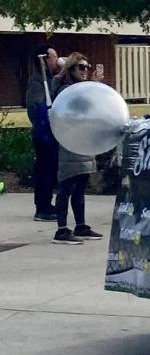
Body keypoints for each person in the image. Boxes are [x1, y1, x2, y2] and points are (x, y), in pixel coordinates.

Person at [49, 53, 104, 244]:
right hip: (70, 142)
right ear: (71, 69)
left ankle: (80, 225)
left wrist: (93, 84)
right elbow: (80, 108)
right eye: (81, 67)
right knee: (67, 186)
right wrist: (92, 86)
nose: (85, 70)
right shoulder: (66, 90)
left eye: (87, 67)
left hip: (83, 141)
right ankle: (61, 230)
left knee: (80, 186)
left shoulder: (80, 88)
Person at [25, 44, 60, 221]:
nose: (57, 60)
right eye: (54, 57)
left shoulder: (51, 79)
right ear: (44, 59)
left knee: (51, 170)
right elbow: (34, 108)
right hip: (43, 134)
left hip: (52, 134)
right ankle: (42, 207)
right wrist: (43, 122)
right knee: (44, 170)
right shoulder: (37, 81)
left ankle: (47, 203)